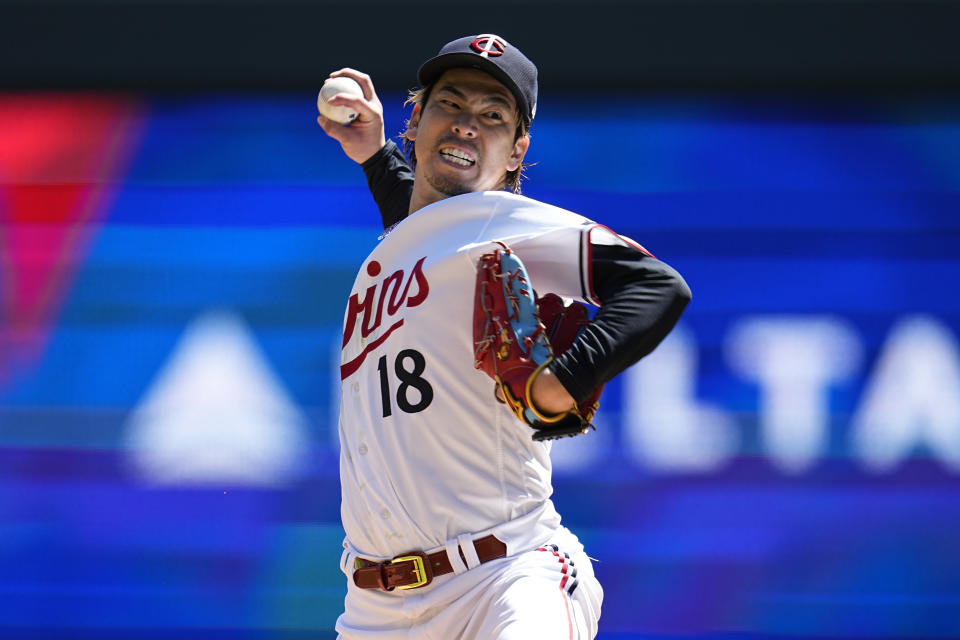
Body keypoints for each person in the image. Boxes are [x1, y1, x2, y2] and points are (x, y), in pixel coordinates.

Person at [318, 34, 691, 639]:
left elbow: (656, 286)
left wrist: (561, 383)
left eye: (493, 116)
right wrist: (373, 153)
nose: (468, 126)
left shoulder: (502, 222)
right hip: (377, 612)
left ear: (517, 152)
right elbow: (421, 222)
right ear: (415, 119)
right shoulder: (416, 240)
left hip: (506, 579)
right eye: (452, 106)